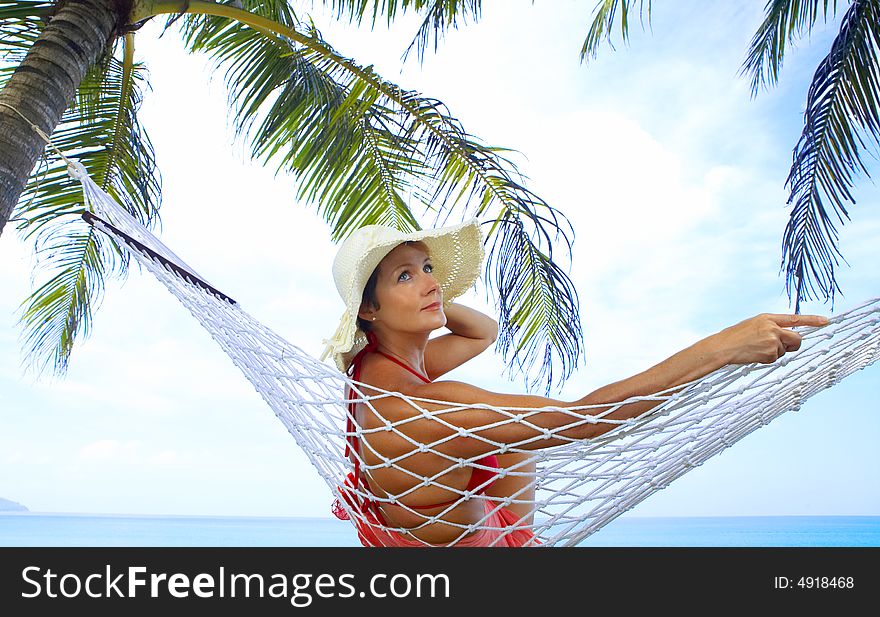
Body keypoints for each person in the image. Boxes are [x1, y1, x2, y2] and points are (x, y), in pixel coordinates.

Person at [319, 218, 828, 547]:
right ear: (367, 308)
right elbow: (586, 420)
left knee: (511, 439)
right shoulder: (426, 407)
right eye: (404, 276)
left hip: (472, 527)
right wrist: (722, 348)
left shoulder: (381, 372)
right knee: (517, 432)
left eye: (429, 268)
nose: (432, 281)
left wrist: (421, 296)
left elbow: (482, 332)